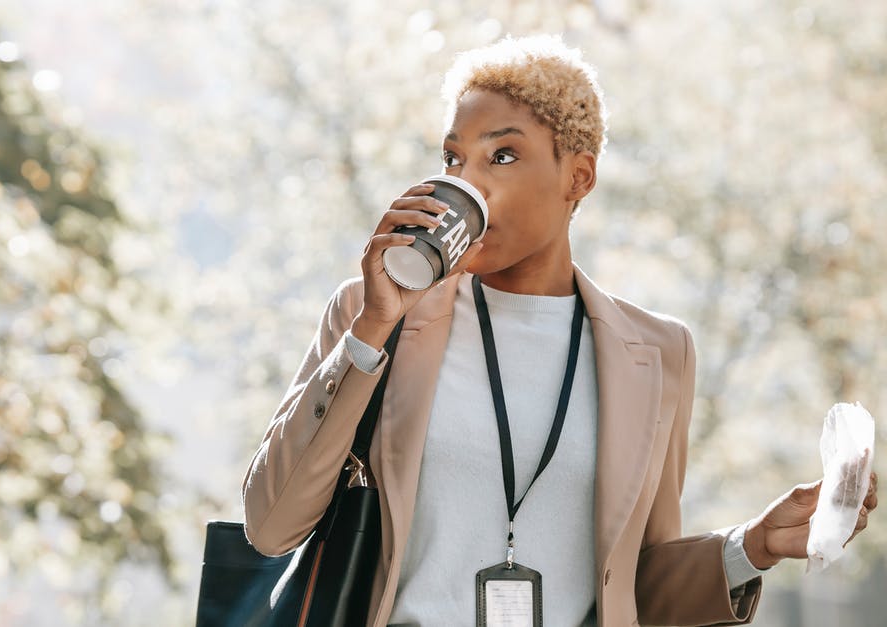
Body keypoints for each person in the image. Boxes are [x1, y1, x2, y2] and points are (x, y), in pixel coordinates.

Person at [241, 35, 880, 626]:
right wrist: (375, 324)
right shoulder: (376, 316)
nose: (468, 181)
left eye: (504, 154)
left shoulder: (658, 353)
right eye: (453, 157)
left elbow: (637, 588)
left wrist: (755, 545)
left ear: (577, 177)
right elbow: (270, 526)